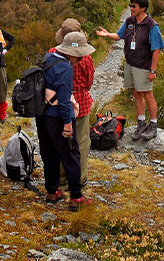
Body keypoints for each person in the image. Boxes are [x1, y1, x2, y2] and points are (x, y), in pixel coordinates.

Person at [37, 31, 94, 211]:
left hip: (42, 114)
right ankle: (76, 196)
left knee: (49, 153)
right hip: (58, 117)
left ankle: (52, 191)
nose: (81, 58)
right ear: (71, 53)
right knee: (71, 154)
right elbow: (64, 100)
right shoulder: (65, 68)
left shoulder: (48, 58)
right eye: (79, 54)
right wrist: (68, 124)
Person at [96, 0, 164, 140]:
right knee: (136, 93)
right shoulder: (129, 21)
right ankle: (141, 123)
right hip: (130, 64)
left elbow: (156, 49)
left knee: (148, 94)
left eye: (134, 6)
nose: (131, 8)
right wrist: (108, 35)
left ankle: (153, 125)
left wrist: (153, 70)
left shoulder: (152, 26)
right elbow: (119, 35)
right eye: (130, 5)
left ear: (143, 8)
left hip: (144, 66)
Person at [49, 19, 95, 186]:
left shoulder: (53, 53)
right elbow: (89, 83)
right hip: (81, 104)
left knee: (60, 141)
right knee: (81, 142)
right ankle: (79, 177)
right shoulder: (86, 59)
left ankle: (61, 177)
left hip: (59, 103)